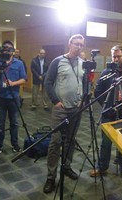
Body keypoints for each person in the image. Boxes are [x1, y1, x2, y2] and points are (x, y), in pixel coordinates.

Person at [89, 45, 122, 179]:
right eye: (113, 56)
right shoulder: (106, 73)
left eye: (118, 56)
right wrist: (106, 105)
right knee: (105, 143)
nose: (116, 59)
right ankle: (102, 167)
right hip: (108, 114)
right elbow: (97, 92)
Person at [43, 34, 85, 194]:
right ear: (69, 44)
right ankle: (51, 176)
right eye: (76, 44)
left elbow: (85, 83)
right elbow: (47, 82)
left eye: (81, 45)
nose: (79, 47)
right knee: (55, 142)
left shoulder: (83, 64)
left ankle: (66, 166)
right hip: (61, 109)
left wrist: (82, 100)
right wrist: (55, 101)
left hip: (76, 109)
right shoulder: (58, 61)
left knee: (71, 140)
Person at [0, 40, 26, 154]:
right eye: (5, 48)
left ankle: (15, 144)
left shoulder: (19, 63)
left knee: (14, 123)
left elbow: (23, 79)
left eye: (9, 48)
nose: (7, 50)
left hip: (13, 98)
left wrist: (13, 83)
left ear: (13, 51)